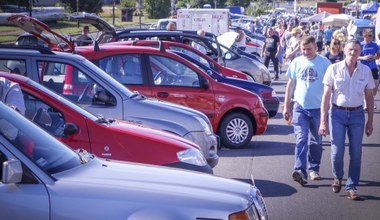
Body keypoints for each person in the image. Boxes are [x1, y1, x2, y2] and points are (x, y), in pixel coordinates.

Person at [319, 39, 375, 200]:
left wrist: (370, 121)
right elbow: (326, 96)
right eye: (350, 49)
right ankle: (338, 177)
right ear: (344, 50)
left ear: (360, 53)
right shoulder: (333, 69)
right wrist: (323, 121)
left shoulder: (365, 71)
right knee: (337, 151)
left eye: (356, 50)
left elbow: (369, 97)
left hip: (357, 115)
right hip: (337, 113)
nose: (353, 53)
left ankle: (351, 186)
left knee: (356, 152)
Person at [283, 35, 331, 186]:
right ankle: (299, 170)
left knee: (316, 142)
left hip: (318, 108)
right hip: (300, 108)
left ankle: (313, 169)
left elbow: (330, 87)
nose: (305, 52)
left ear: (316, 48)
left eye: (309, 49)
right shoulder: (296, 62)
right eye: (303, 49)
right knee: (301, 139)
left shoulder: (325, 63)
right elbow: (290, 85)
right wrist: (286, 105)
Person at [358, 28, 380, 109]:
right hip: (363, 68)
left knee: (375, 86)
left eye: (371, 35)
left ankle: (372, 99)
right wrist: (364, 58)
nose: (371, 37)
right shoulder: (360, 45)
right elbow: (356, 57)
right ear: (364, 36)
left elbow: (378, 55)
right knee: (364, 86)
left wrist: (374, 57)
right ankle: (366, 102)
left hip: (373, 67)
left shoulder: (375, 45)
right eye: (369, 35)